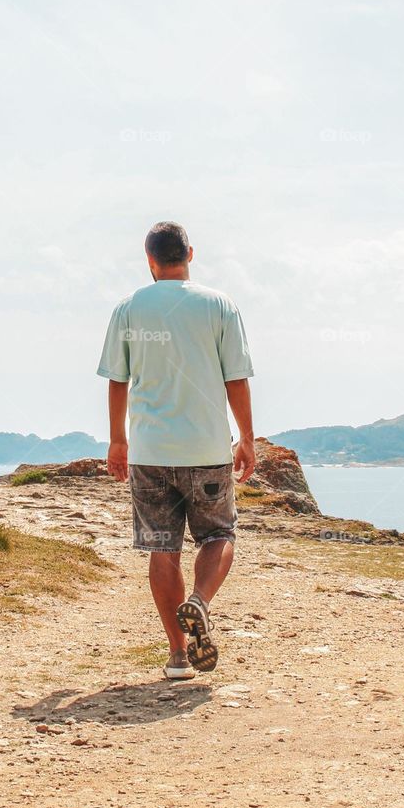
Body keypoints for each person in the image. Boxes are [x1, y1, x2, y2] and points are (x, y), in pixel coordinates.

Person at [97, 221, 255, 680]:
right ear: (191, 253)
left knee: (161, 549)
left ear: (150, 260)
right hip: (206, 447)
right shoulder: (219, 306)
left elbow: (117, 380)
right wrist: (245, 437)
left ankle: (178, 656)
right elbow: (236, 378)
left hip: (149, 451)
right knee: (218, 535)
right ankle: (200, 602)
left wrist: (117, 440)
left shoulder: (128, 309)